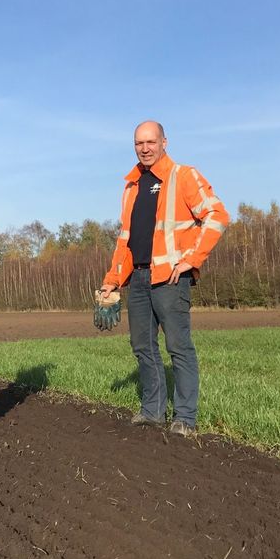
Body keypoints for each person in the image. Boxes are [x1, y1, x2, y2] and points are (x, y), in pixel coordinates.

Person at [99, 121, 229, 437]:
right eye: (138, 143)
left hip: (170, 280)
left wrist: (191, 260)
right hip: (139, 280)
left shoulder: (183, 175)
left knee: (178, 346)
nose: (144, 148)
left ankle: (185, 418)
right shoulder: (131, 187)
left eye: (150, 142)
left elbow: (217, 216)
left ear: (164, 142)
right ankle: (152, 412)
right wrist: (112, 280)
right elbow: (126, 240)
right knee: (142, 346)